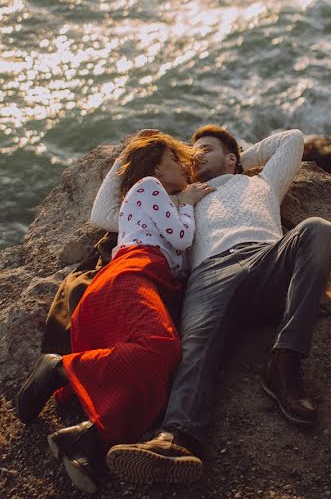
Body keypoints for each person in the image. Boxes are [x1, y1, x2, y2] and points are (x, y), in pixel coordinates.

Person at [103, 126, 331, 484]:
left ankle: (284, 366)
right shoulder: (177, 201)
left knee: (319, 229)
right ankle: (175, 439)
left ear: (232, 159)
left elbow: (292, 140)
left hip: (267, 262)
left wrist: (242, 160)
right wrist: (129, 150)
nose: (195, 156)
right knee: (195, 348)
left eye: (206, 150)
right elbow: (104, 214)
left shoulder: (262, 185)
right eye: (190, 154)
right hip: (210, 275)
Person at [15, 132, 213, 493]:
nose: (184, 166)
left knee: (158, 370)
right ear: (156, 166)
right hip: (129, 275)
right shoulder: (149, 187)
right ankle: (58, 368)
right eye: (175, 159)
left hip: (143, 281)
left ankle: (85, 441)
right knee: (161, 348)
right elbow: (182, 237)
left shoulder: (153, 200)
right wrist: (187, 201)